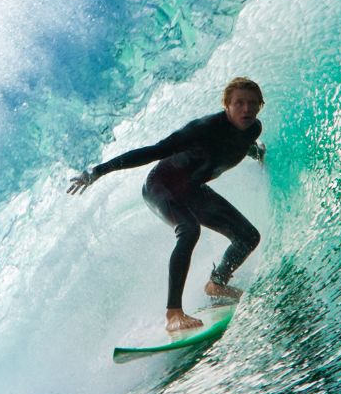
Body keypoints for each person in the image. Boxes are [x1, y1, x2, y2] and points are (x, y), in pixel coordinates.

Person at [69, 77, 268, 334]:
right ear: (226, 105)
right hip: (161, 186)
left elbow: (239, 145)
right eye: (239, 103)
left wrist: (258, 155)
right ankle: (173, 313)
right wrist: (97, 171)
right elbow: (153, 151)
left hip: (192, 190)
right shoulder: (202, 129)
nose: (246, 109)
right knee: (189, 229)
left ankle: (217, 284)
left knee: (247, 236)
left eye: (253, 104)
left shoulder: (252, 130)